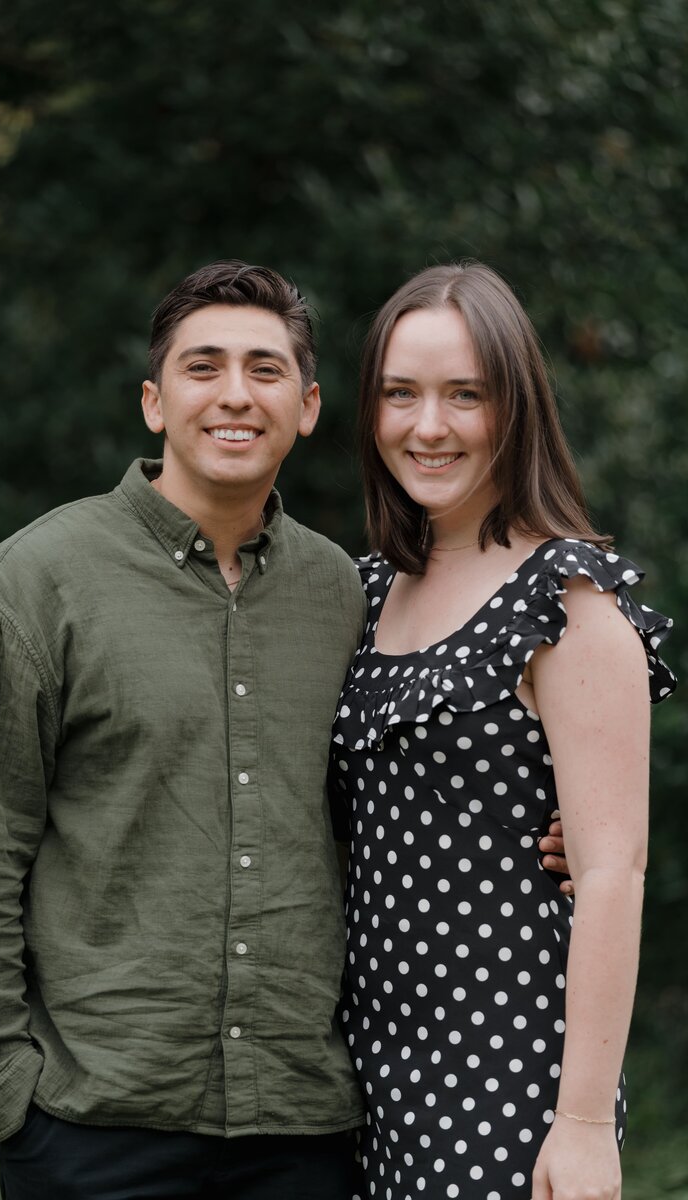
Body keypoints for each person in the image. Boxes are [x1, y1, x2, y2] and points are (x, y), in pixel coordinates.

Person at [0, 260, 568, 1200]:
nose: (234, 396)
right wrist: (10, 1098)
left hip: (306, 1130)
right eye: (202, 366)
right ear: (153, 400)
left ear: (305, 407)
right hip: (94, 1131)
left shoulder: (351, 594)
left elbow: (401, 791)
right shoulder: (30, 588)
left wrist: (550, 836)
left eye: (264, 370)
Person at [329, 262, 675, 1200]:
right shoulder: (362, 592)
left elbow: (612, 872)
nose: (427, 426)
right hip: (360, 1073)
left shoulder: (564, 599)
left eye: (464, 395)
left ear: (514, 408)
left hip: (504, 1076)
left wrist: (584, 1125)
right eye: (400, 393)